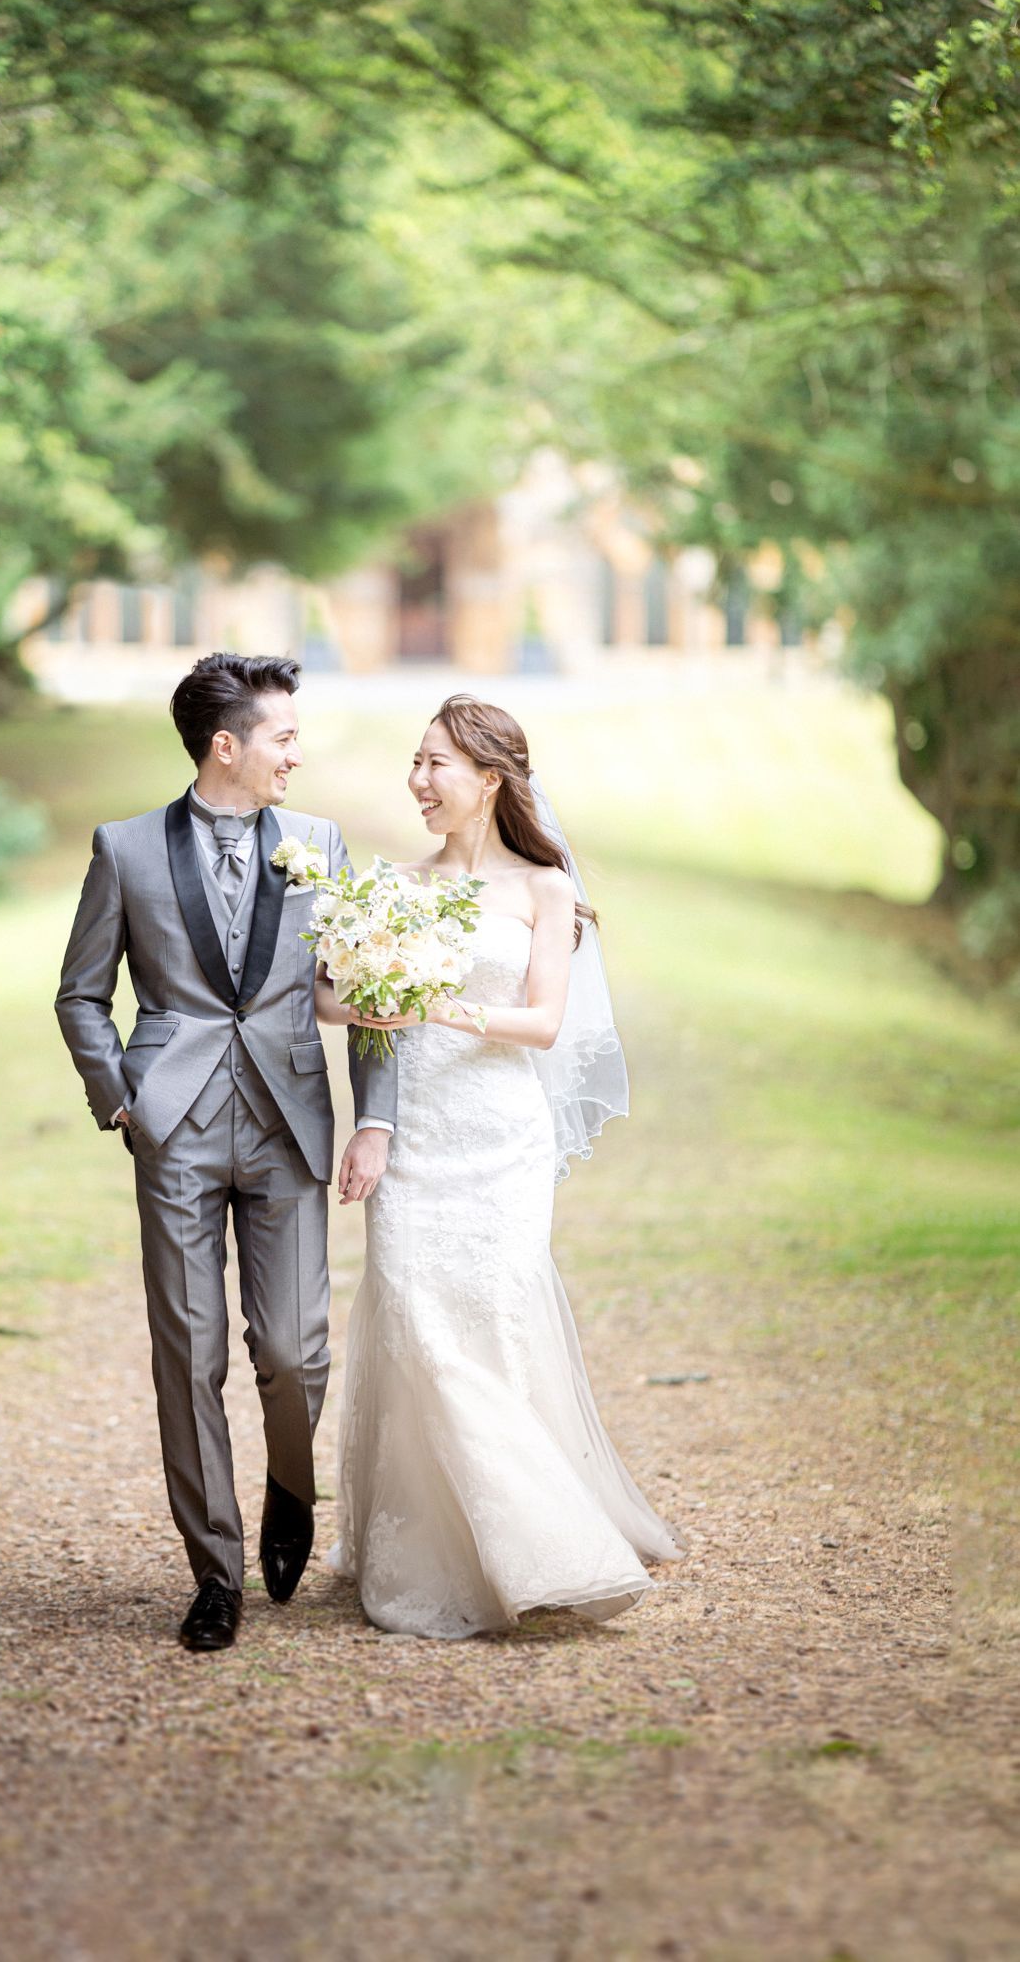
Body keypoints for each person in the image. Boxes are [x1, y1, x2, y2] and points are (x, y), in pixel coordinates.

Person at [319, 694, 687, 1639]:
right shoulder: (390, 886)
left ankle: (533, 1535)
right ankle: (452, 1543)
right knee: (411, 1315)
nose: (418, 779)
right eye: (414, 760)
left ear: (490, 779)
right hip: (417, 1141)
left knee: (490, 1316)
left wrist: (435, 1005)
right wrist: (371, 1099)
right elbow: (346, 1010)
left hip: (499, 1136)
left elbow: (544, 1022)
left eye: (436, 763)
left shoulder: (543, 889)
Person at [55, 653, 397, 1652]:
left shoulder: (320, 842)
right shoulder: (125, 850)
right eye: (284, 736)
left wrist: (372, 1114)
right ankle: (215, 1570)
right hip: (176, 1128)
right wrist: (121, 1099)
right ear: (226, 746)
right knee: (190, 1355)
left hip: (290, 1119)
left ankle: (290, 1486)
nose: (299, 753)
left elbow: (369, 987)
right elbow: (82, 992)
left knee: (294, 1352)